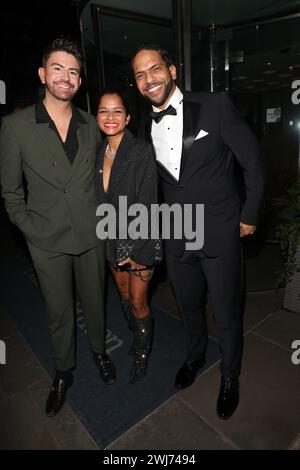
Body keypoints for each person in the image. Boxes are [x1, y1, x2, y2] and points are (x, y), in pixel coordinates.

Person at [132, 44, 264, 419]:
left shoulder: (215, 105)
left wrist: (251, 212)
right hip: (177, 235)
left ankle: (229, 376)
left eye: (154, 69)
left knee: (226, 311)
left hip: (221, 230)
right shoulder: (144, 127)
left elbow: (251, 160)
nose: (148, 79)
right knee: (189, 308)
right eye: (140, 75)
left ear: (172, 70)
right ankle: (194, 357)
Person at [0, 37, 116, 417]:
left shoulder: (90, 124)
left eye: (73, 71)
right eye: (57, 68)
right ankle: (64, 370)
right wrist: (31, 229)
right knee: (58, 310)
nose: (65, 77)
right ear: (42, 74)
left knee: (96, 301)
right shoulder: (16, 126)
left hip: (90, 234)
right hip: (45, 238)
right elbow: (11, 192)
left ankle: (99, 352)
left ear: (79, 81)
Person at [96, 89, 162, 384]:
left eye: (117, 111)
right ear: (98, 117)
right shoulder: (98, 153)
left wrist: (137, 251)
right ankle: (137, 337)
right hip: (110, 238)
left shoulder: (141, 151)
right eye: (103, 111)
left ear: (128, 117)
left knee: (137, 301)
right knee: (122, 295)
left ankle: (142, 355)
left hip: (139, 241)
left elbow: (148, 206)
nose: (110, 117)